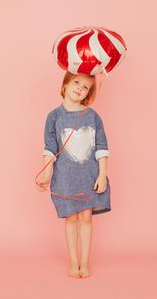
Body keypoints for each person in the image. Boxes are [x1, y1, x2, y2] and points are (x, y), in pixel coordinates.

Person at [37, 71, 111, 278]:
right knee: (71, 219)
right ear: (65, 85)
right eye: (76, 82)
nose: (80, 88)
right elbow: (50, 148)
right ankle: (74, 261)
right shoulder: (53, 117)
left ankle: (84, 262)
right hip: (65, 178)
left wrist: (102, 174)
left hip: (89, 177)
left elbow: (102, 147)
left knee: (86, 218)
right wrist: (46, 175)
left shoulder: (93, 117)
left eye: (86, 87)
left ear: (89, 93)